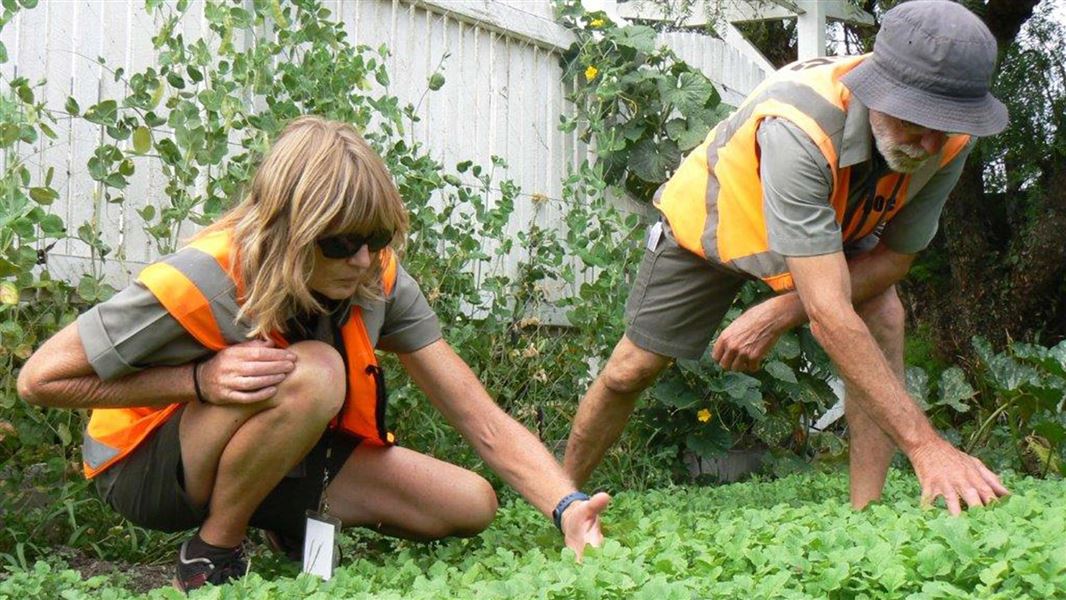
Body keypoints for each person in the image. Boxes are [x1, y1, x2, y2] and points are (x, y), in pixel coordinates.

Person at [17, 116, 609, 592]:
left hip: (273, 450)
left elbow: (476, 414)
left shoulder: (375, 278)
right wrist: (198, 380)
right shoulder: (202, 276)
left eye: (374, 239)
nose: (361, 260)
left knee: (469, 504)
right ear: (286, 231)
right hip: (143, 467)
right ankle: (212, 551)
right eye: (340, 242)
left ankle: (277, 518)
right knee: (317, 372)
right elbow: (40, 380)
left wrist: (566, 506)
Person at [563, 0, 1011, 514]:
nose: (930, 142)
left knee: (884, 314)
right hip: (721, 221)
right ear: (877, 87)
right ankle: (560, 497)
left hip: (831, 225)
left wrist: (780, 310)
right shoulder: (800, 123)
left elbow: (895, 259)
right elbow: (829, 314)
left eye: (946, 122)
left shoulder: (948, 144)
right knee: (630, 370)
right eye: (918, 120)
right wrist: (927, 446)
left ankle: (867, 516)